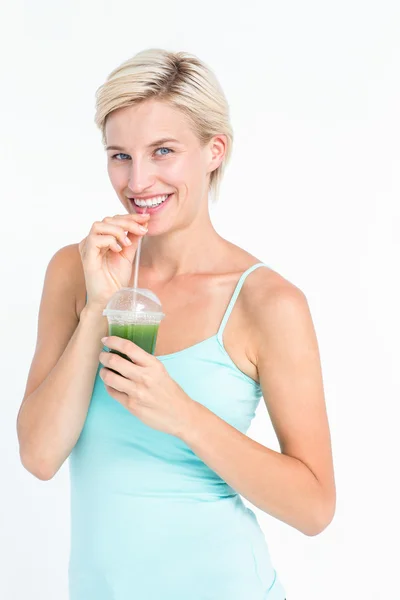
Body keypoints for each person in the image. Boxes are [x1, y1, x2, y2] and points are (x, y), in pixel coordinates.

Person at [17, 48, 335, 599]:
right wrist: (99, 306)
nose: (138, 181)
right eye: (120, 155)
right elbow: (40, 457)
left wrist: (183, 414)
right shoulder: (75, 271)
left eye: (163, 151)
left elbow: (314, 508)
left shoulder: (266, 302)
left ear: (214, 151)